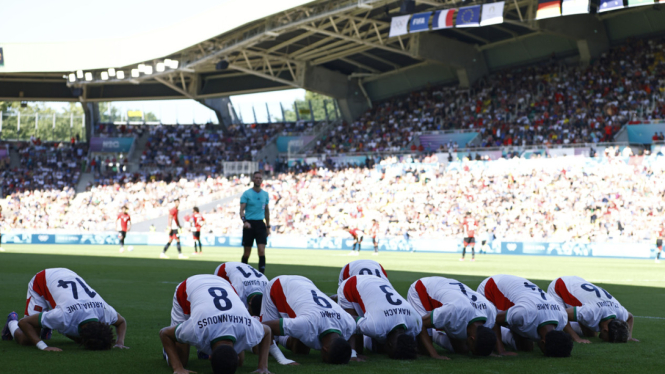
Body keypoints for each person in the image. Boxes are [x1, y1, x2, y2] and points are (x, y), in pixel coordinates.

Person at [159, 274, 272, 374]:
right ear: (210, 357)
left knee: (240, 363)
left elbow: (267, 330)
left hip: (224, 284)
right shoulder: (196, 329)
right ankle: (167, 351)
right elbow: (164, 333)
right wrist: (178, 368)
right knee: (181, 360)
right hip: (188, 287)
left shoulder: (248, 328)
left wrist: (263, 367)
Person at [1, 268, 128, 351]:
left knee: (63, 323)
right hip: (42, 281)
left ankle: (47, 324)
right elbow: (24, 322)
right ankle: (11, 321)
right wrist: (43, 347)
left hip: (67, 275)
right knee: (26, 340)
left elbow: (121, 321)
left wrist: (120, 342)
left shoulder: (105, 312)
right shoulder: (64, 315)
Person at [260, 275, 355, 365]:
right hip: (279, 285)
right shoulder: (306, 324)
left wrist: (354, 353)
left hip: (306, 282)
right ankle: (254, 317)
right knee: (264, 345)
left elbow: (358, 323)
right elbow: (263, 326)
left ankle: (289, 332)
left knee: (301, 350)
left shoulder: (349, 323)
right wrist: (282, 359)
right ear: (325, 349)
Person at [477, 274, 572, 357]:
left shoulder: (562, 317)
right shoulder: (525, 312)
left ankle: (510, 329)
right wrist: (501, 350)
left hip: (519, 292)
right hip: (492, 286)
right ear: (543, 342)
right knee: (485, 330)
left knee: (526, 347)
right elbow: (495, 319)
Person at [407, 276, 497, 357]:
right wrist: (434, 354)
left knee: (462, 350)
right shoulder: (454, 310)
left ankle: (440, 324)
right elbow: (421, 323)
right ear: (471, 339)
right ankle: (433, 332)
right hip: (422, 290)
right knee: (424, 350)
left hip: (450, 293)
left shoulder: (491, 314)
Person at [337, 275, 421, 360]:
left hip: (381, 282)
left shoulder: (417, 323)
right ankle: (334, 300)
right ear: (390, 344)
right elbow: (349, 319)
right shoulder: (375, 326)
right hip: (352, 284)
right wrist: (353, 353)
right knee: (358, 347)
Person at [547, 276, 637, 343]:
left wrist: (629, 337)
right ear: (605, 330)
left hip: (577, 283)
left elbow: (630, 317)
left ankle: (576, 319)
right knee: (556, 326)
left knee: (591, 335)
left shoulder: (620, 313)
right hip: (560, 286)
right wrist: (577, 338)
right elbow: (561, 314)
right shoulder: (590, 312)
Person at [240, 172, 270, 273]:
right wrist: (245, 222)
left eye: (260, 178)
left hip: (260, 224)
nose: (258, 180)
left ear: (262, 180)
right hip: (249, 224)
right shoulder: (247, 193)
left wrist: (268, 225)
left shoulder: (265, 194)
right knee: (247, 253)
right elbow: (241, 211)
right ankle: (243, 274)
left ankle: (262, 275)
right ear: (253, 179)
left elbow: (266, 211)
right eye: (256, 178)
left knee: (261, 251)